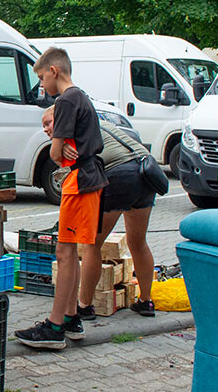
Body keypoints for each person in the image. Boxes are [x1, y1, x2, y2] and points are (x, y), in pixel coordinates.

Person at [16, 47, 106, 350]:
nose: (41, 86)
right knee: (73, 250)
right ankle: (70, 317)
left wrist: (59, 151)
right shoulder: (82, 96)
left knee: (64, 253)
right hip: (89, 177)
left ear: (54, 71)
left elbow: (55, 152)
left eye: (42, 78)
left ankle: (54, 327)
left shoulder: (65, 100)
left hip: (79, 181)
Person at [38, 108, 158, 320]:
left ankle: (85, 305)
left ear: (64, 118)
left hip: (120, 176)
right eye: (44, 125)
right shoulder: (98, 124)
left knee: (92, 243)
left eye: (49, 123)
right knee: (138, 241)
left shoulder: (72, 134)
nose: (46, 129)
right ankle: (145, 301)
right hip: (146, 172)